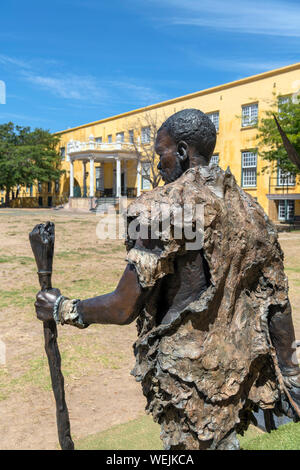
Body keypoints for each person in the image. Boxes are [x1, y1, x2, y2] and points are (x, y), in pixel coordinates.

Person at [35, 109, 300, 450]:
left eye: (162, 154)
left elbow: (123, 307)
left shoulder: (161, 208)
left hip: (187, 385)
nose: (159, 165)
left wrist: (62, 308)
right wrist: (291, 371)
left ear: (183, 151)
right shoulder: (253, 211)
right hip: (235, 375)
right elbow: (278, 302)